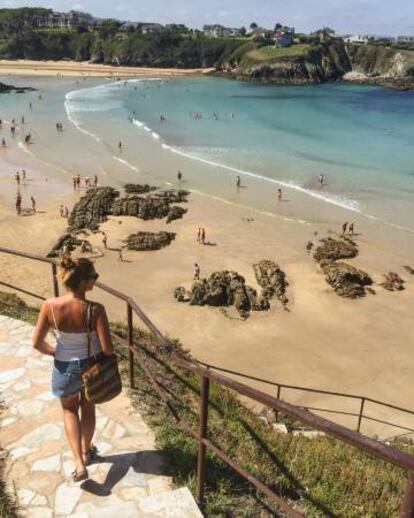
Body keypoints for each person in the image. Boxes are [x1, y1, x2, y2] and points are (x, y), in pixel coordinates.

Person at [32, 257, 114, 482]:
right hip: (91, 366)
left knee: (69, 411)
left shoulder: (49, 306)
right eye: (93, 277)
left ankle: (78, 463)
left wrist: (55, 353)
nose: (95, 281)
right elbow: (107, 349)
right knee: (88, 409)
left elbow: (37, 342)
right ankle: (87, 452)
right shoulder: (95, 309)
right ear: (82, 282)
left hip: (64, 367)